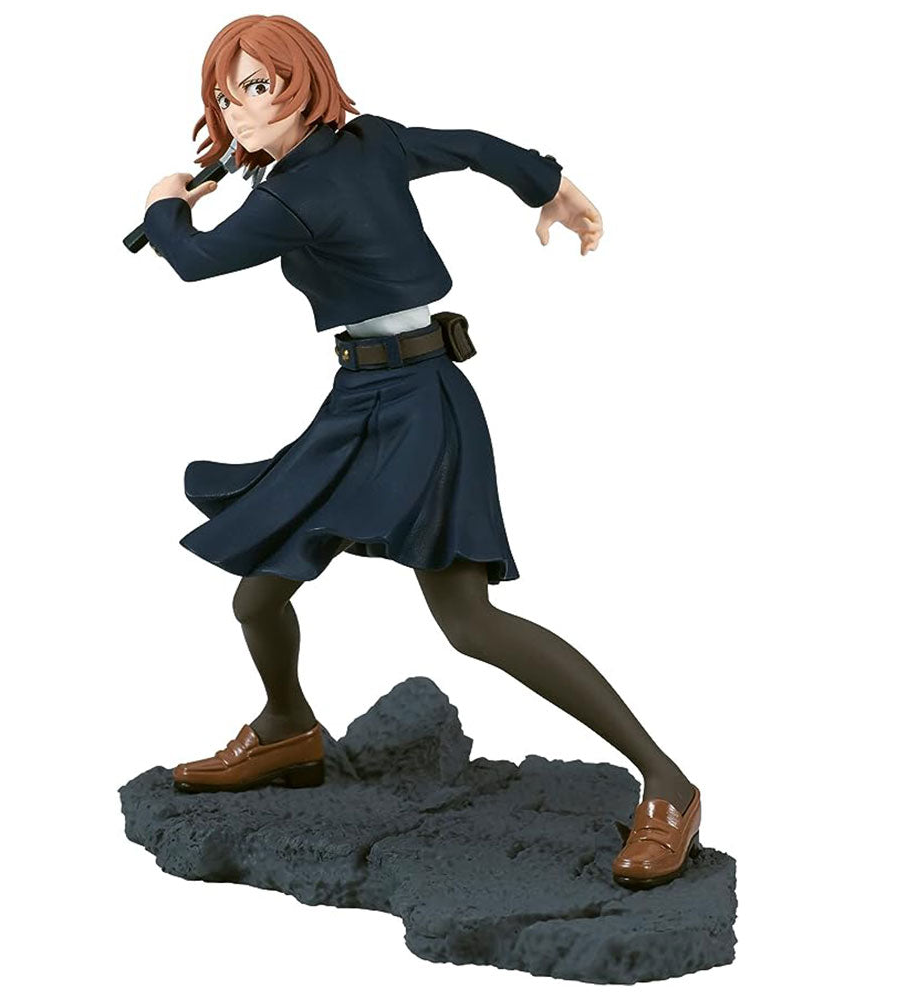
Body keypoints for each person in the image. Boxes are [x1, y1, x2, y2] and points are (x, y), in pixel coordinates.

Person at [140, 13, 700, 890]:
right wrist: (549, 183)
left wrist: (164, 204)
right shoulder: (368, 144)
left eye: (256, 86)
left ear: (305, 86)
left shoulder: (295, 197)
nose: (236, 108)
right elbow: (470, 146)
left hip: (419, 408)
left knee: (469, 622)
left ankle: (668, 784)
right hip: (360, 401)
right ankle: (287, 730)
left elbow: (193, 261)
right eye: (224, 93)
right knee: (259, 594)